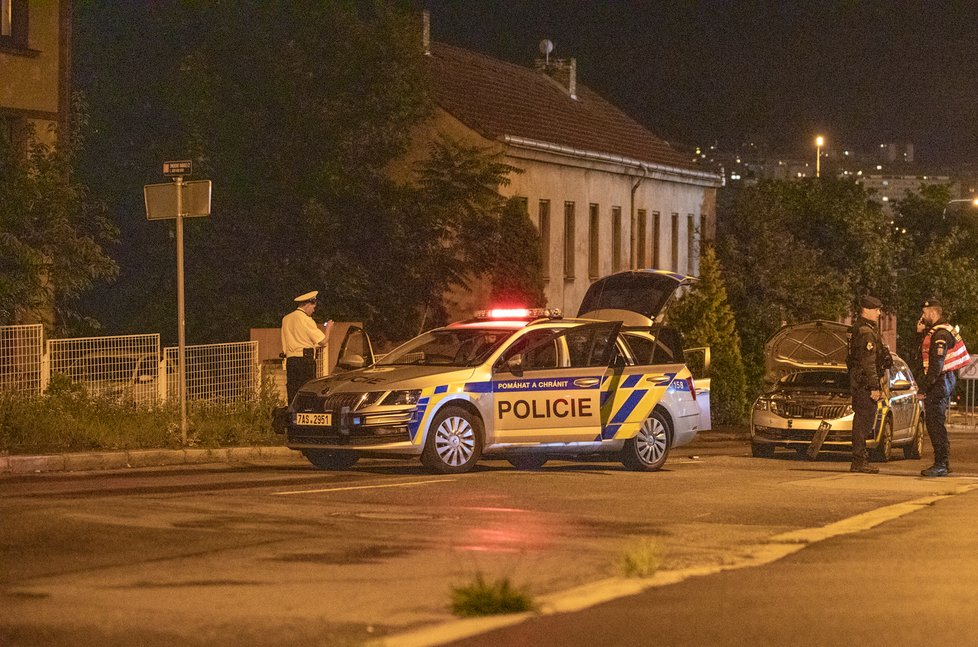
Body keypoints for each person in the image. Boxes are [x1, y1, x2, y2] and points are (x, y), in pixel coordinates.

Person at [917, 298, 970, 477]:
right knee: (935, 423)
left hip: (940, 381)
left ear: (932, 313)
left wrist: (923, 388)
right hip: (944, 380)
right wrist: (921, 332)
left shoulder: (940, 335)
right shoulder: (940, 331)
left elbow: (936, 366)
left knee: (935, 424)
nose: (922, 317)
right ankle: (942, 463)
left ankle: (941, 464)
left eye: (924, 314)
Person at [846, 294, 892, 474]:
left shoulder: (859, 329)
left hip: (860, 381)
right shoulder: (866, 332)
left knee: (862, 421)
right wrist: (874, 387)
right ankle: (859, 460)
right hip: (865, 384)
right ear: (866, 310)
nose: (879, 313)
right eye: (876, 310)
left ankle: (859, 459)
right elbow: (868, 362)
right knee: (863, 422)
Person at [281, 291, 332, 403]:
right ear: (308, 304)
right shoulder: (306, 320)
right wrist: (328, 328)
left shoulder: (286, 319)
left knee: (293, 392)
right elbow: (323, 341)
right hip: (305, 361)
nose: (313, 310)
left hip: (291, 360)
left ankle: (292, 416)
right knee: (307, 392)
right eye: (313, 307)